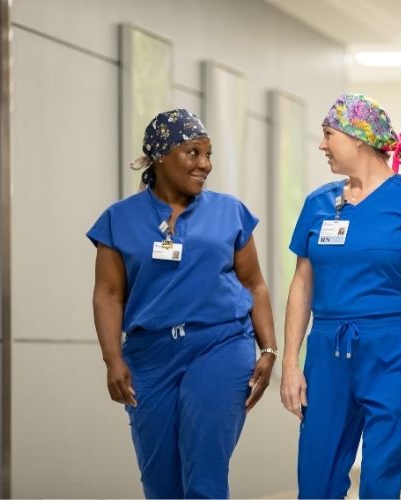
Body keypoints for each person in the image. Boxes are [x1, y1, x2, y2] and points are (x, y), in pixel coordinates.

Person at [87, 109, 278, 498]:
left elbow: (254, 284)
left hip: (220, 344)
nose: (204, 164)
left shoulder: (230, 213)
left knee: (205, 476)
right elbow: (108, 293)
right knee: (161, 483)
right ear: (161, 156)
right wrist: (112, 359)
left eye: (208, 154)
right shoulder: (119, 219)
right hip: (149, 354)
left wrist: (269, 347)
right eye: (193, 153)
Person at [280, 93, 401, 498]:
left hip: (394, 349)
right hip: (327, 350)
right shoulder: (319, 202)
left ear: (359, 138)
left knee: (380, 480)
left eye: (327, 134)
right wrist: (290, 362)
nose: (321, 145)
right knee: (316, 478)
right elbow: (302, 283)